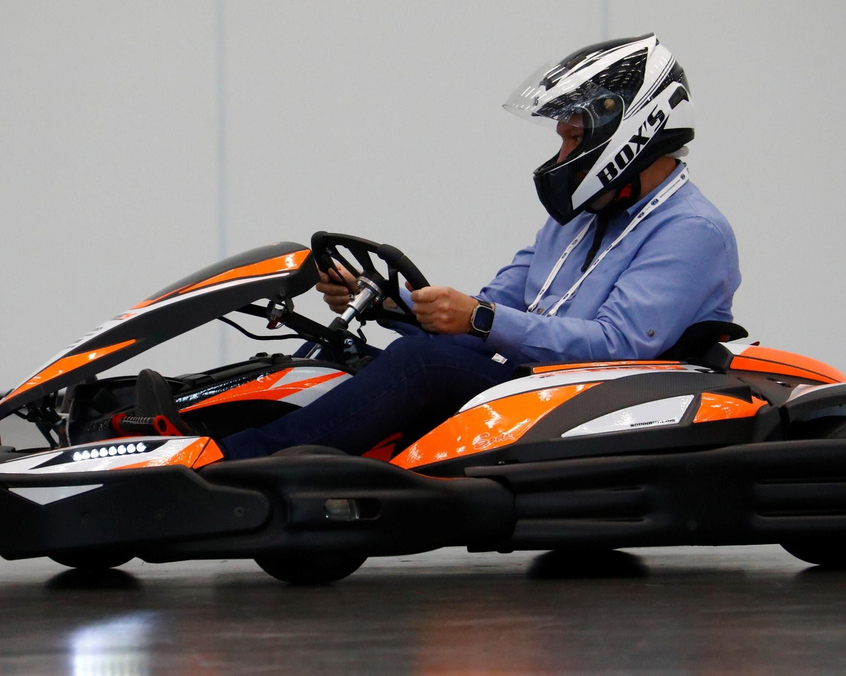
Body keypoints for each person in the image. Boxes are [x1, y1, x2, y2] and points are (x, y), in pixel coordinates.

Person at [168, 34, 739, 460]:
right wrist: (383, 304)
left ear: (629, 134)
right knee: (346, 358)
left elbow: (616, 346)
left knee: (424, 363)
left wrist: (480, 319)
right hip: (530, 383)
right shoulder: (583, 216)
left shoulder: (692, 232)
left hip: (594, 400)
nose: (562, 156)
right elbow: (485, 313)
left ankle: (226, 465)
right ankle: (190, 429)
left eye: (572, 138)